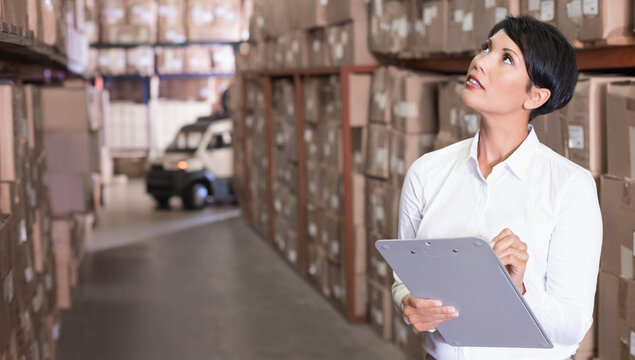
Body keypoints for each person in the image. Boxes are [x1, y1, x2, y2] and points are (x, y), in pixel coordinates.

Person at [392, 15, 602, 360]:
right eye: (487, 47)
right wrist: (407, 302)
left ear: (535, 96)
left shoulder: (569, 187)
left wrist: (520, 288)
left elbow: (573, 324)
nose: (480, 60)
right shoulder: (426, 172)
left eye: (506, 58)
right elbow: (404, 276)